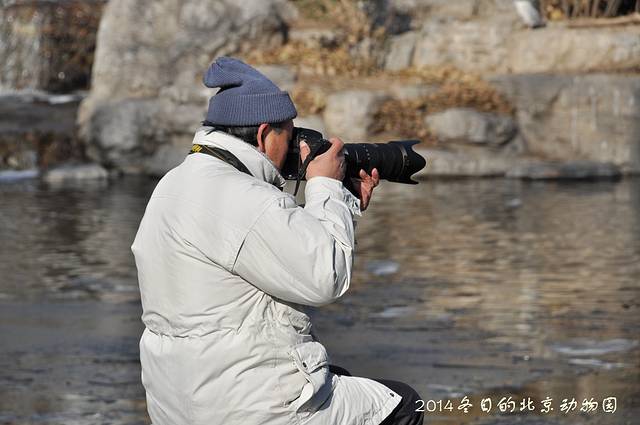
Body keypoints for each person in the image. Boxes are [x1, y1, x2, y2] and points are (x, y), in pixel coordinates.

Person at [131, 56, 423, 425]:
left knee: (339, 377)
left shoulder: (175, 183)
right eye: (289, 135)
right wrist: (326, 185)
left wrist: (341, 202)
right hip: (247, 407)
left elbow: (277, 247)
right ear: (263, 134)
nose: (293, 146)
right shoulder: (245, 197)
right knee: (403, 405)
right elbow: (325, 277)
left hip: (177, 400)